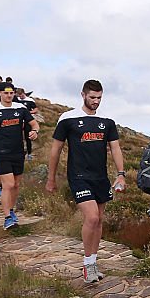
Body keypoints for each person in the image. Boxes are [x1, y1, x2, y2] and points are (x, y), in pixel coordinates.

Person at [46, 79, 127, 283]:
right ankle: (87, 264)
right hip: (78, 176)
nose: (96, 101)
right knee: (91, 218)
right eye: (92, 97)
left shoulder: (107, 120)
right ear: (83, 95)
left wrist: (121, 173)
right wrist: (51, 178)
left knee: (99, 220)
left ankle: (93, 261)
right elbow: (56, 150)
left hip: (100, 177)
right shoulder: (68, 118)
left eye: (99, 98)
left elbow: (115, 147)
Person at [0, 82, 39, 230]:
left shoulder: (20, 108)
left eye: (11, 93)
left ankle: (11, 211)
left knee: (16, 185)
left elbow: (34, 124)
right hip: (0, 152)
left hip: (18, 151)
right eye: (5, 93)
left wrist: (35, 131)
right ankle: (7, 218)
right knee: (9, 184)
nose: (8, 95)